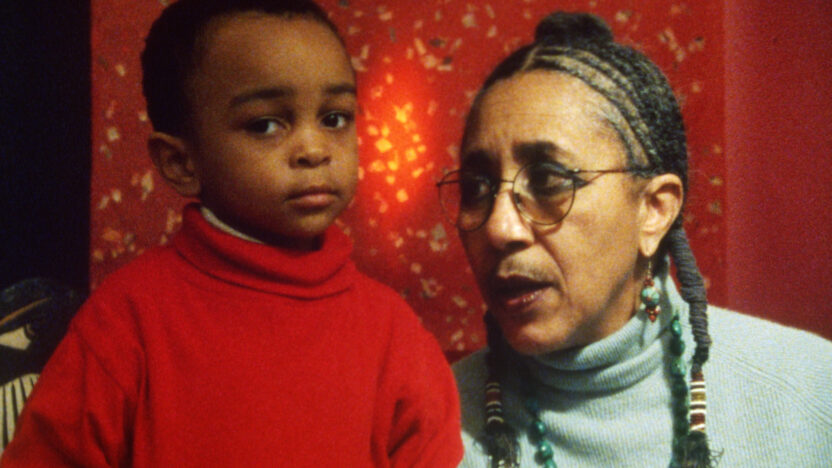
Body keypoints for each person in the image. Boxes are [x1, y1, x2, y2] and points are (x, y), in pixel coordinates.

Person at [1, 1, 463, 466]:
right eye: (266, 125)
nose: (314, 149)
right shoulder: (124, 323)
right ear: (180, 163)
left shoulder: (396, 337)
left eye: (334, 118)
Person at [440, 11, 832, 468]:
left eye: (547, 180)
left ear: (654, 210)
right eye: (477, 187)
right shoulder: (434, 425)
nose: (498, 227)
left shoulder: (808, 395)